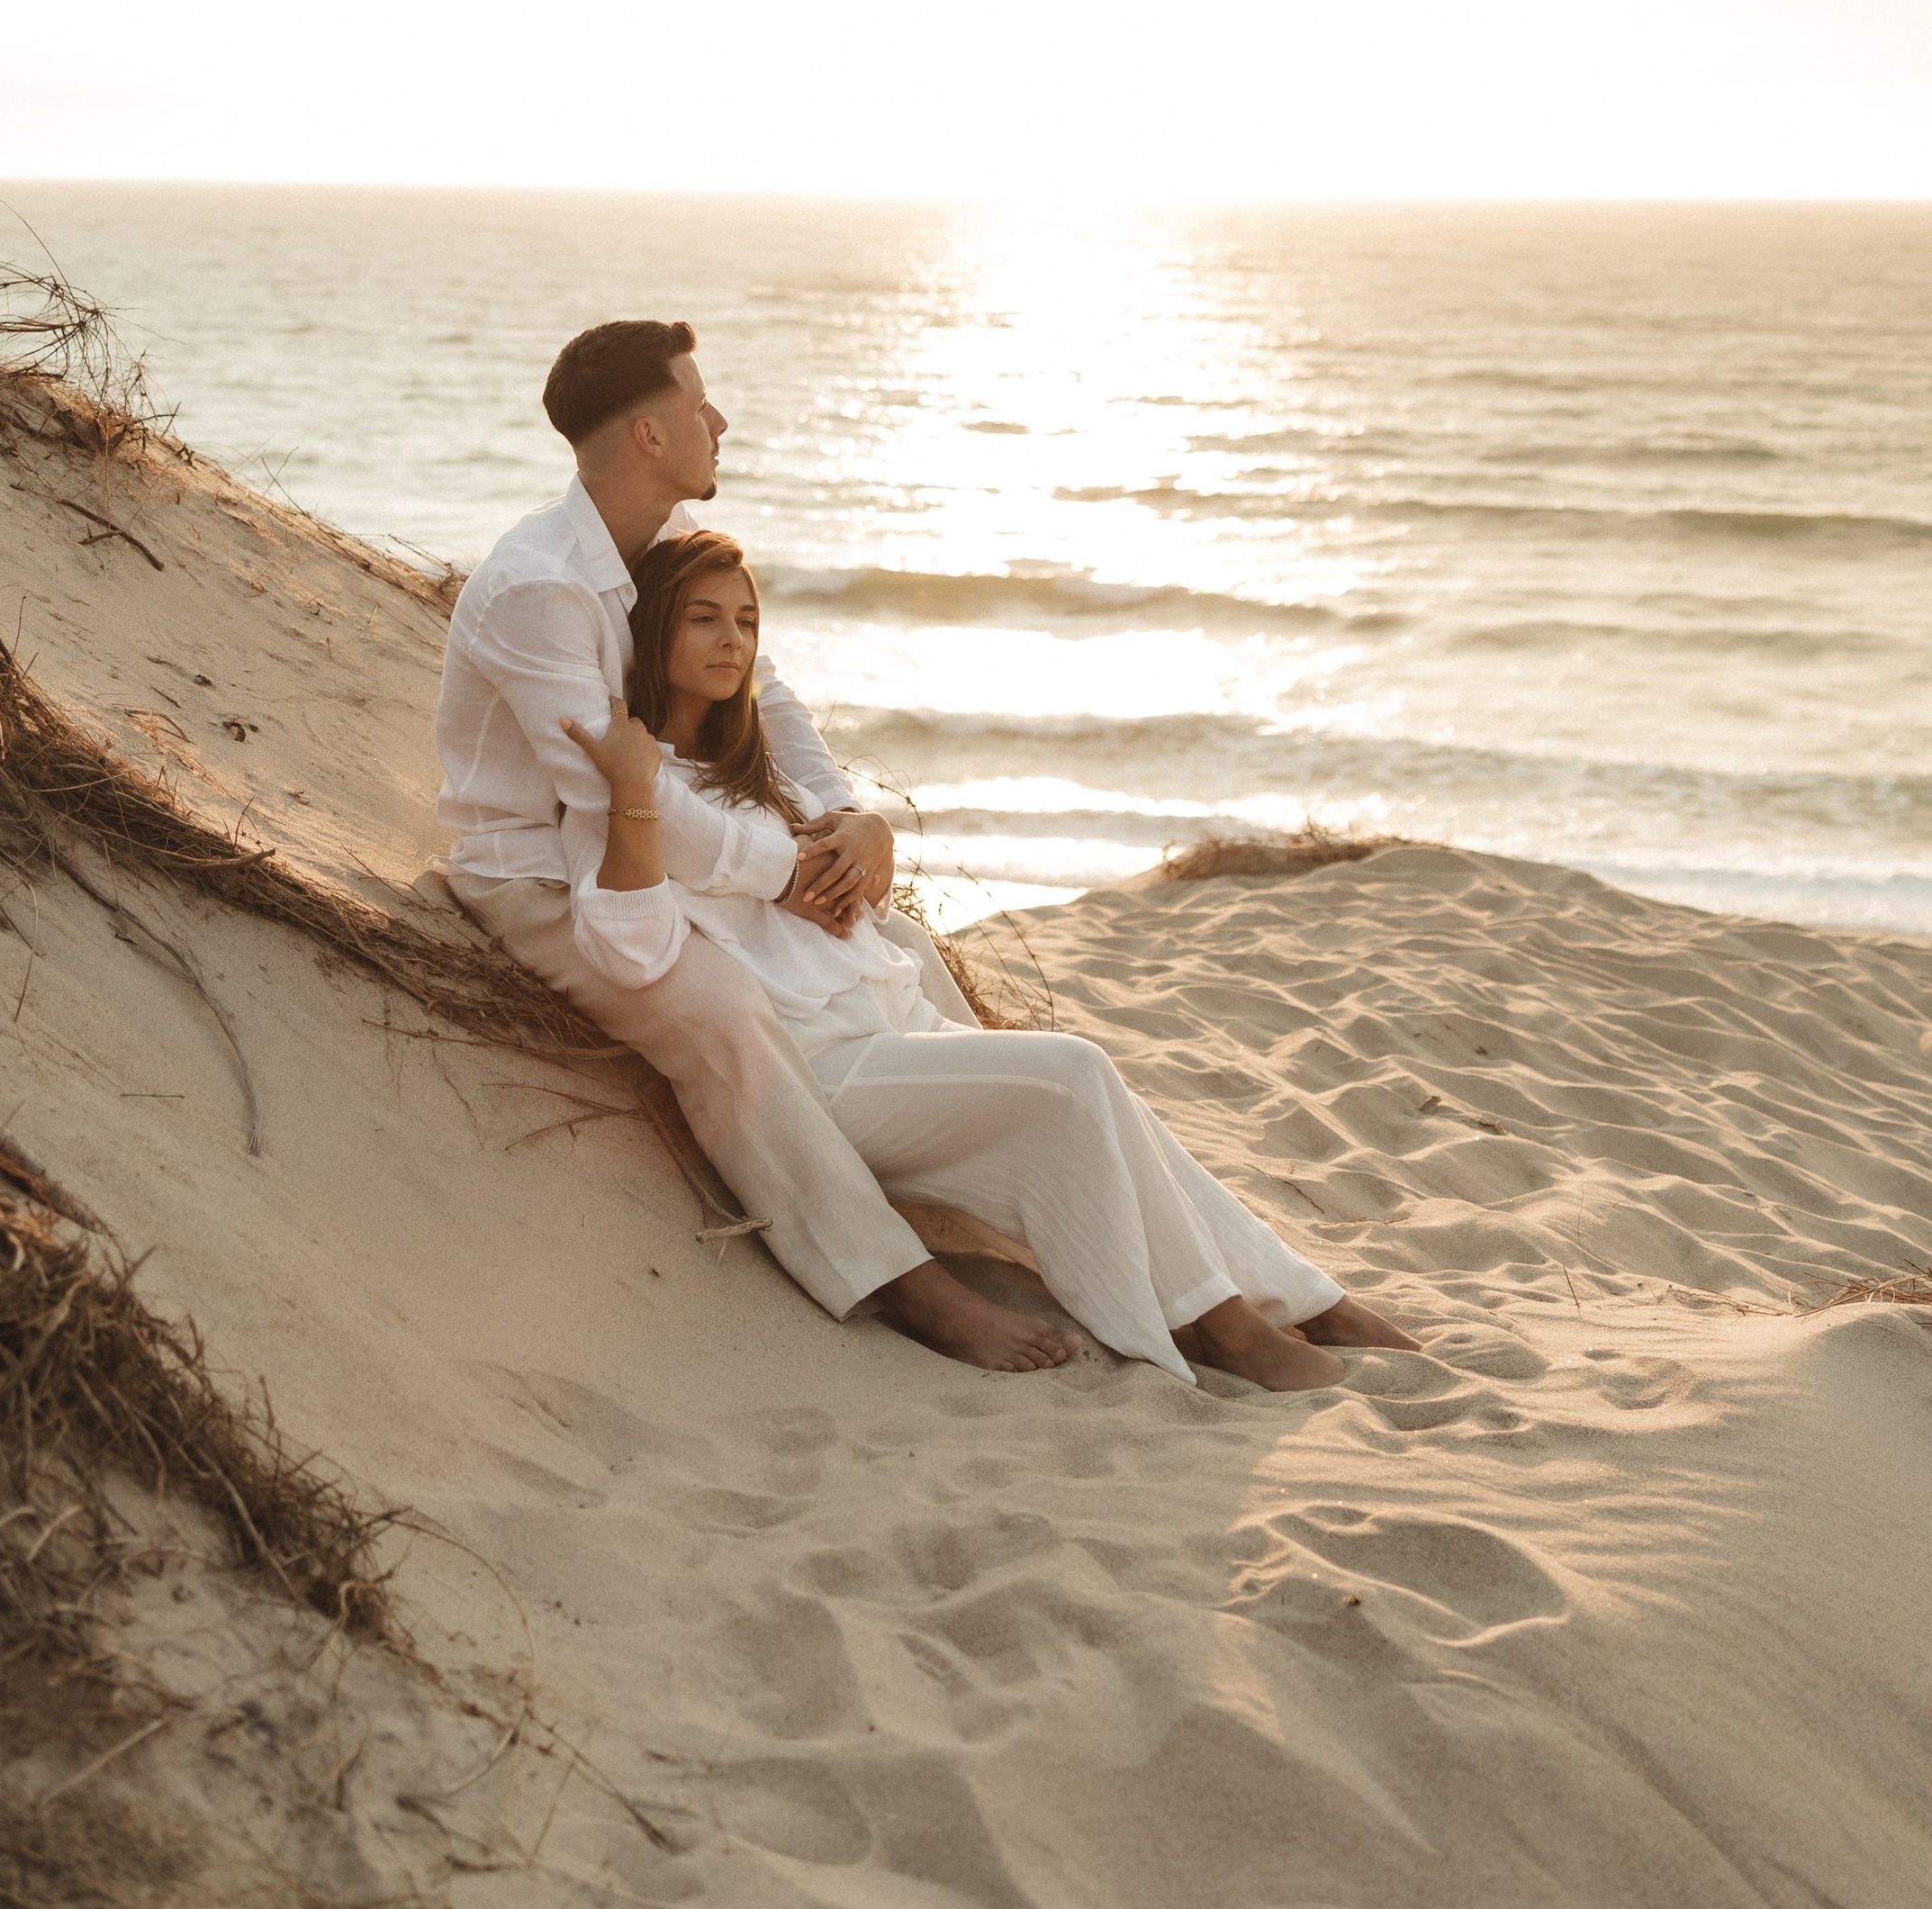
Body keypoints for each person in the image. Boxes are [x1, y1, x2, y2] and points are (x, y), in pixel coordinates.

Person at [556, 528, 1422, 1389]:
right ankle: (1227, 1329)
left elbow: (859, 890)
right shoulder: (641, 780)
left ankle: (1300, 1297)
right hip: (823, 1069)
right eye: (704, 619)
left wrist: (864, 835)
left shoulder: (761, 770)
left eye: (746, 621)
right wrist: (631, 792)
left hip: (898, 1024)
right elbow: (628, 945)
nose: (733, 640)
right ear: (654, 630)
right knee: (1074, 1073)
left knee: (1109, 1100)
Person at [437, 317, 1093, 1368]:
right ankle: (900, 1280)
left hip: (663, 853)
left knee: (894, 946)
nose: (720, 420)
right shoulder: (541, 589)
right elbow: (611, 798)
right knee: (726, 1010)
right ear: (650, 435)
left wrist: (836, 820)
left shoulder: (642, 550)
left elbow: (766, 694)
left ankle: (989, 1152)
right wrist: (785, 871)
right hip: (545, 872)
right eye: (700, 404)